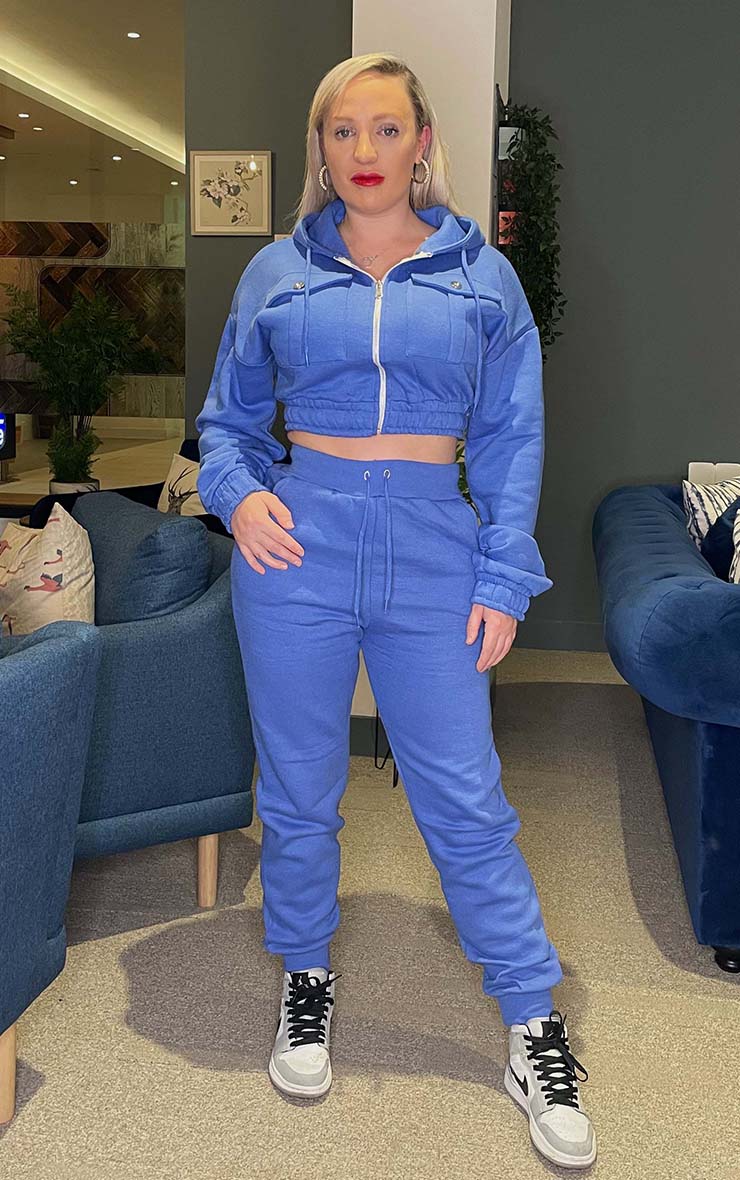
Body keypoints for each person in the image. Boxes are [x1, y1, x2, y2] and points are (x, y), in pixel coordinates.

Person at [195, 52, 597, 1171]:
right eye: (342, 131)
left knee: (464, 796)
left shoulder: (483, 278)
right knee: (299, 791)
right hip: (299, 545)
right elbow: (226, 423)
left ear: (421, 141)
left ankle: (531, 1022)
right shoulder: (276, 271)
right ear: (320, 148)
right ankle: (306, 976)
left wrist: (501, 574)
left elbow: (511, 438)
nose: (363, 151)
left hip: (433, 544)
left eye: (384, 129)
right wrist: (239, 497)